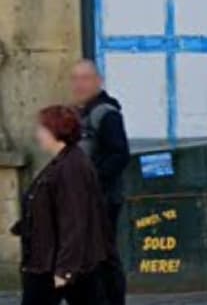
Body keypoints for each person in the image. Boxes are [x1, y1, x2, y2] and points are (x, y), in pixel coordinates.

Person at [12, 105, 109, 305]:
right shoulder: (64, 161)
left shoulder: (71, 166)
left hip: (56, 263)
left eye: (42, 129)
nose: (37, 134)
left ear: (55, 131)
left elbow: (75, 221)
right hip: (52, 258)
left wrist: (65, 271)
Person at [70, 60, 130, 305]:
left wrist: (92, 179)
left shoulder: (106, 114)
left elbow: (120, 154)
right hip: (83, 199)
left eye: (85, 78)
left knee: (104, 256)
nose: (79, 84)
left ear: (98, 81)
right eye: (75, 79)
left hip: (103, 198)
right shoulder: (79, 113)